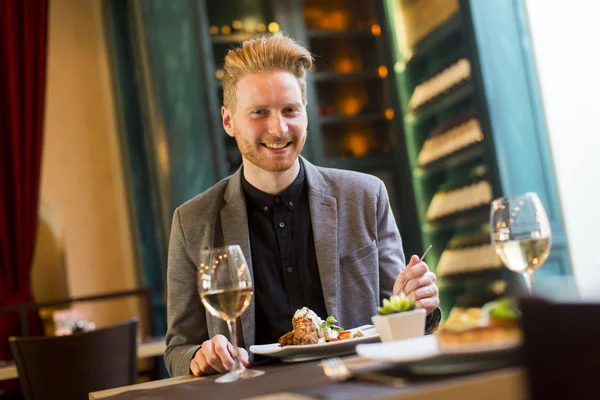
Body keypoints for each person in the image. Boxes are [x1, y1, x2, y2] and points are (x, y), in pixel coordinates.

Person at [165, 36, 441, 378]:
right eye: (259, 112)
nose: (278, 129)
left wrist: (418, 305)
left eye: (290, 110)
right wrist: (199, 355)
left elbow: (399, 320)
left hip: (361, 388)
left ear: (305, 114)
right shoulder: (190, 222)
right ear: (229, 121)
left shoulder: (365, 197)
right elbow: (178, 349)